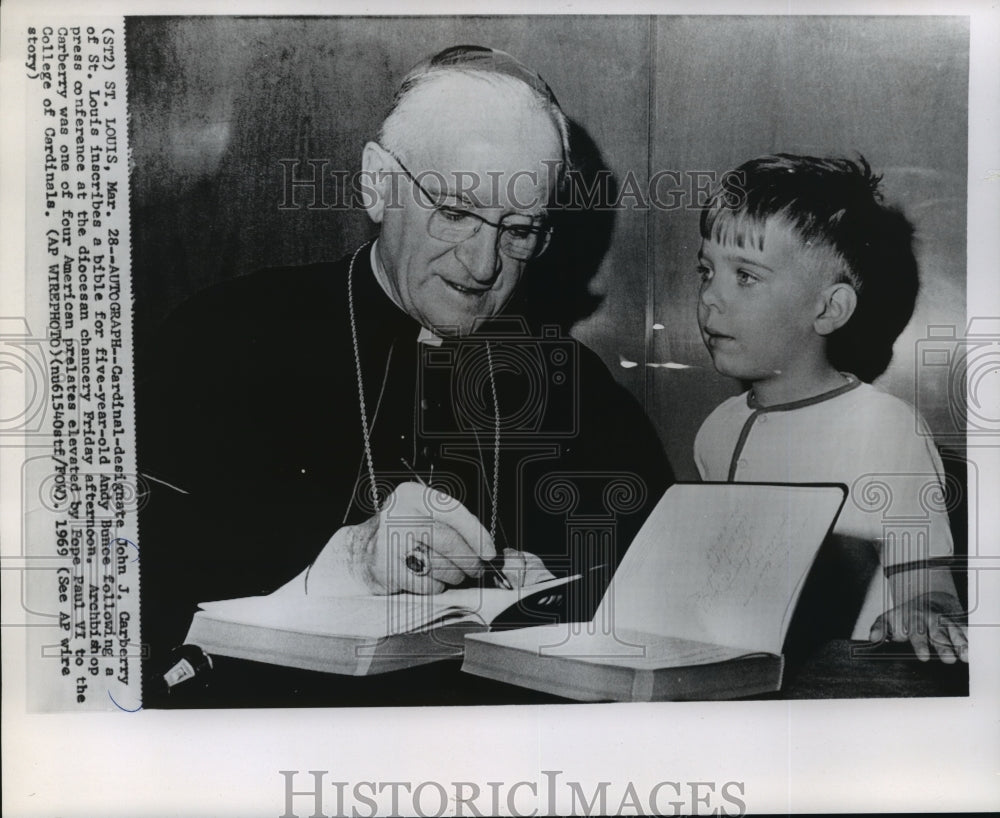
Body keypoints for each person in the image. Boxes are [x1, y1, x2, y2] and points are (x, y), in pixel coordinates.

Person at [136, 46, 672, 688]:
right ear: (378, 183)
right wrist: (350, 561)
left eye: (518, 230)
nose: (482, 266)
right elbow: (135, 585)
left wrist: (560, 593)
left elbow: (653, 594)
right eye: (455, 213)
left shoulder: (575, 387)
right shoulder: (225, 337)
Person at [692, 153, 967, 663]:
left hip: (852, 683)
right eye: (706, 270)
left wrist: (925, 612)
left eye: (745, 276)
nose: (710, 296)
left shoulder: (885, 429)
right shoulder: (717, 429)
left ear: (829, 308)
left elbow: (931, 588)